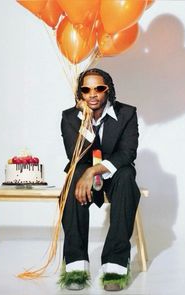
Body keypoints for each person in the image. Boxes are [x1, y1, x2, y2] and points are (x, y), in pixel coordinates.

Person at [59, 68, 140, 291]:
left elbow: (127, 153)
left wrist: (93, 172)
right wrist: (85, 121)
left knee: (126, 178)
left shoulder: (127, 113)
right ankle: (76, 267)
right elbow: (74, 155)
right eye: (86, 89)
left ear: (108, 89)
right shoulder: (69, 117)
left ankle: (114, 267)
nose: (92, 94)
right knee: (74, 176)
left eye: (99, 88)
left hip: (113, 173)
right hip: (82, 171)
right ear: (80, 94)